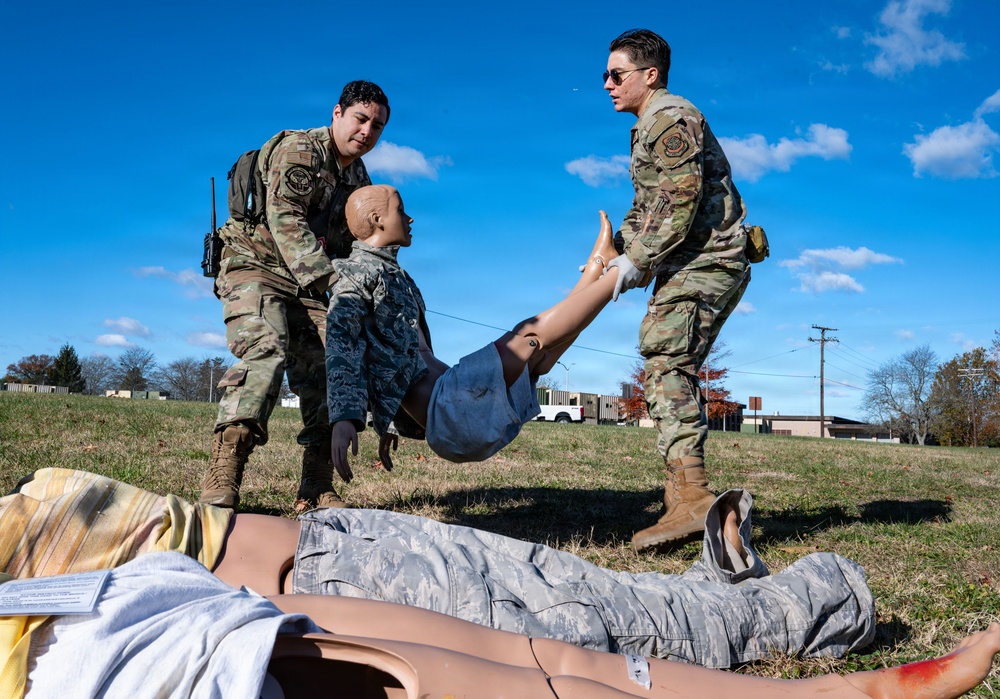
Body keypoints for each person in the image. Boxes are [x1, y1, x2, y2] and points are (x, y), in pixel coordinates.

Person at [2, 468, 874, 668]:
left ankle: (822, 594)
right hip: (338, 561)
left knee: (623, 627)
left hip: (344, 579)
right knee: (606, 604)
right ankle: (725, 577)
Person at [17, 552, 1000, 699]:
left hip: (150, 594)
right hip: (134, 649)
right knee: (558, 657)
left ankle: (842, 671)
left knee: (565, 643)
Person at [326, 184, 621, 479]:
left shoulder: (398, 276)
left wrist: (388, 422)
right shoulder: (353, 273)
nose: (409, 218)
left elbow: (390, 365)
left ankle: (599, 267)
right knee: (526, 338)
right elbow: (342, 344)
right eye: (400, 211)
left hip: (457, 403)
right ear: (377, 219)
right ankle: (624, 270)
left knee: (539, 358)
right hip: (449, 413)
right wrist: (344, 418)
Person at [198, 80, 390, 514]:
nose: (367, 132)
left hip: (308, 282)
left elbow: (356, 243)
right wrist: (335, 285)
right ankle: (224, 472)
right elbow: (286, 221)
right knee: (266, 350)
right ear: (337, 113)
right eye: (360, 119)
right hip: (255, 264)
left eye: (377, 126)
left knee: (334, 362)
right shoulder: (302, 151)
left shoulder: (359, 179)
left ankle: (316, 485)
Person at [600, 29, 752, 552]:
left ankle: (692, 496)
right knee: (670, 364)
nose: (607, 84)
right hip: (697, 262)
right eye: (604, 75)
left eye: (616, 74)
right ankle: (682, 495)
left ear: (650, 75)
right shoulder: (647, 126)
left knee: (666, 362)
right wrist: (618, 247)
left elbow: (681, 200)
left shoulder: (669, 117)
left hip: (707, 259)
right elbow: (648, 205)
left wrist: (636, 261)